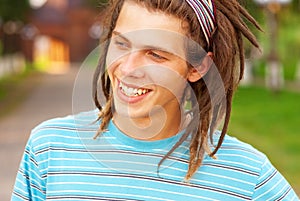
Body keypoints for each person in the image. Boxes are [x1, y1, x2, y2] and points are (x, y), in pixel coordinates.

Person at [12, 0, 299, 200]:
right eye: (122, 44)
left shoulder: (246, 177)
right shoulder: (49, 148)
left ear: (197, 66)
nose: (127, 68)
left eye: (156, 55)